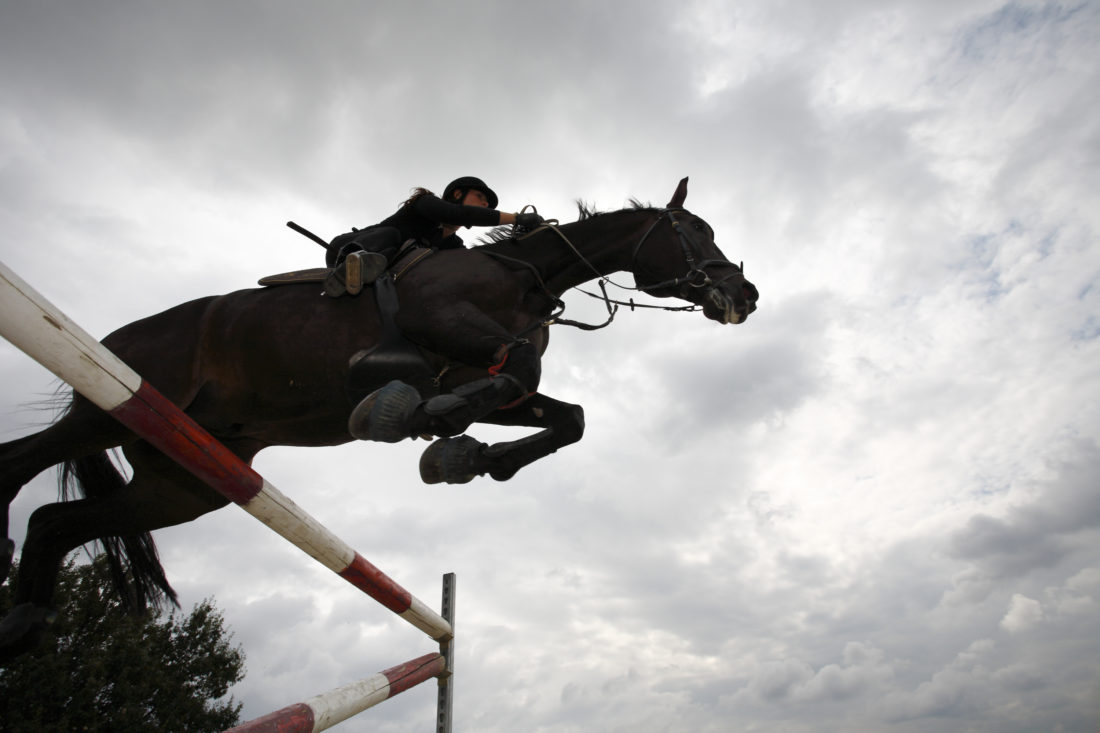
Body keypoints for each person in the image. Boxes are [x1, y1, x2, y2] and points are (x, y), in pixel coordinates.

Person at [328, 176, 543, 287]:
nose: (485, 205)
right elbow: (462, 214)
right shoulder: (426, 203)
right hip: (346, 247)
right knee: (391, 236)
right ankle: (350, 268)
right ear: (458, 194)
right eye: (480, 198)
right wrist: (516, 218)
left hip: (386, 276)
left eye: (488, 204)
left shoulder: (453, 247)